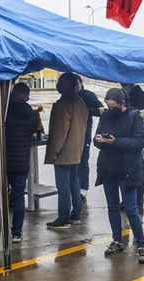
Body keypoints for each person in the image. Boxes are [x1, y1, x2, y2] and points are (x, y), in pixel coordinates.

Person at [94, 88, 144, 264]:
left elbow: (140, 142)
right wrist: (99, 140)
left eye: (114, 106)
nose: (111, 110)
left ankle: (141, 245)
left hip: (128, 170)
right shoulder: (106, 116)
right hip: (108, 169)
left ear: (122, 103)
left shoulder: (135, 117)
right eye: (108, 106)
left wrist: (115, 142)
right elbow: (98, 141)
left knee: (131, 209)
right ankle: (117, 240)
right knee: (112, 207)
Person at [0, 83, 37, 244]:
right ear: (26, 96)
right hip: (21, 164)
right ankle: (16, 233)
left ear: (12, 95)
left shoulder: (1, 113)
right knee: (18, 198)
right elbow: (34, 133)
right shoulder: (32, 115)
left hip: (2, 163)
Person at [44, 72, 88, 229]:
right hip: (76, 151)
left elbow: (59, 132)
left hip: (64, 153)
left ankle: (63, 218)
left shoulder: (64, 104)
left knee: (63, 187)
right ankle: (76, 215)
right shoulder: (80, 101)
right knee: (74, 183)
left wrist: (54, 152)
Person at [121, 83, 144, 217]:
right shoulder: (123, 95)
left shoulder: (143, 99)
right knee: (125, 171)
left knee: (138, 172)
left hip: (137, 142)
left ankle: (138, 203)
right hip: (125, 141)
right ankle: (128, 200)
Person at [77, 76, 104, 199]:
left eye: (76, 83)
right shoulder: (67, 95)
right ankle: (73, 186)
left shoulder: (88, 95)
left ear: (81, 83)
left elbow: (101, 110)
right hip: (70, 135)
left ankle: (83, 187)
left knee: (83, 161)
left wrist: (83, 110)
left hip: (84, 134)